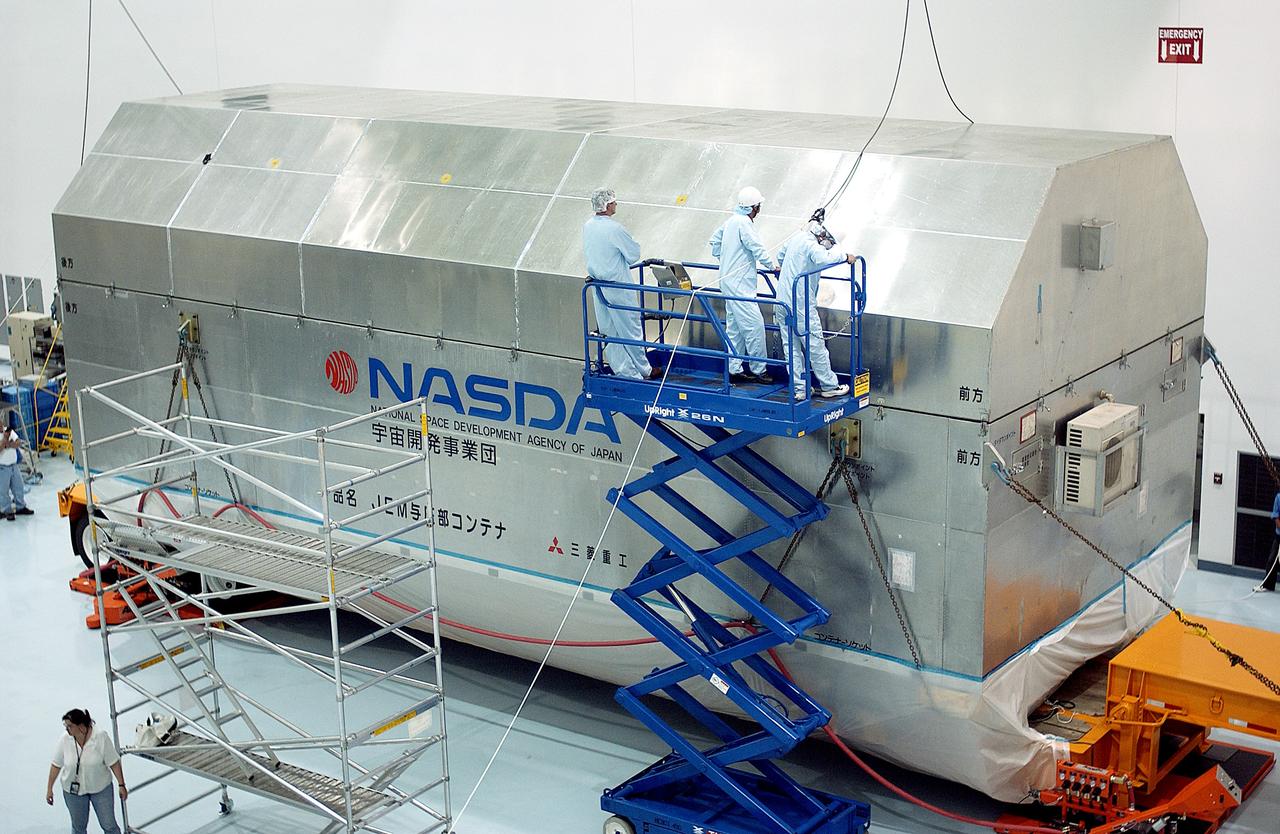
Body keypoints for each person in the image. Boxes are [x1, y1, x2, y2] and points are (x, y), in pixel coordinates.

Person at [583, 187, 660, 381]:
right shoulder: (614, 229)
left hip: (597, 286)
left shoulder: (588, 226)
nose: (616, 204)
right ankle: (644, 370)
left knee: (610, 332)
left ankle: (626, 372)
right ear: (608, 205)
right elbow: (633, 255)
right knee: (630, 328)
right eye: (614, 201)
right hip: (619, 286)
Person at [774, 219, 855, 400]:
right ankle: (829, 385)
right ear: (825, 237)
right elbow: (824, 258)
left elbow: (781, 256)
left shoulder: (798, 238)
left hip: (782, 301)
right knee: (815, 345)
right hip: (801, 303)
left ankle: (800, 389)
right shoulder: (813, 246)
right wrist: (845, 256)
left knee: (791, 346)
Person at [709, 186, 777, 383]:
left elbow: (714, 241)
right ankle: (759, 369)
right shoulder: (744, 224)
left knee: (735, 327)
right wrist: (772, 266)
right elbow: (756, 247)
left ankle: (734, 368)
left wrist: (725, 261)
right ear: (754, 207)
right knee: (754, 326)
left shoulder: (731, 221)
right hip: (740, 286)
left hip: (728, 281)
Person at [47, 708, 126, 834]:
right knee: (78, 828)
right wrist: (49, 789)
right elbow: (56, 765)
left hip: (100, 789)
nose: (67, 729)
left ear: (81, 726)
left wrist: (121, 785)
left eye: (70, 726)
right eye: (66, 726)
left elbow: (114, 762)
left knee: (109, 825)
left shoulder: (100, 737)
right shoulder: (65, 739)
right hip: (73, 792)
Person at [1, 424, 32, 521]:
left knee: (19, 487)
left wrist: (7, 445)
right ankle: (7, 511)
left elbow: (18, 443)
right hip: (2, 467)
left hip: (14, 465)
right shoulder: (6, 435)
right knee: (3, 490)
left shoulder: (9, 431)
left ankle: (20, 507)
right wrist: (5, 439)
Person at [1256, 490, 1280, 593]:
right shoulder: (1279, 497)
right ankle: (1268, 585)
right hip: (1279, 536)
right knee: (1272, 560)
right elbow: (1276, 517)